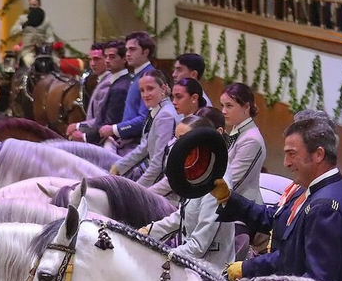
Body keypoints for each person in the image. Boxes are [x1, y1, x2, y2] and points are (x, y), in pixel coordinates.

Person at [213, 116, 342, 281]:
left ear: (318, 154)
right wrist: (229, 199)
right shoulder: (326, 190)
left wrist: (253, 271)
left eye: (292, 154)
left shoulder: (323, 206)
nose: (286, 163)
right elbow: (275, 218)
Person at [143, 115, 237, 268]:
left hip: (211, 270)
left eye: (182, 139)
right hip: (189, 259)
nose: (176, 146)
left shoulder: (217, 181)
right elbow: (182, 216)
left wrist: (166, 256)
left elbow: (199, 246)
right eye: (176, 139)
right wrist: (148, 231)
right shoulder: (196, 172)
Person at [111, 69, 177, 188]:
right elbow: (145, 147)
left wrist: (137, 189)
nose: (145, 95)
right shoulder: (157, 110)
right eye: (142, 90)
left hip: (161, 184)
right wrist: (118, 166)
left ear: (163, 88)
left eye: (150, 89)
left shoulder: (165, 115)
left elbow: (158, 164)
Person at [102, 31, 156, 153]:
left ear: (145, 52)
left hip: (138, 145)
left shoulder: (149, 77)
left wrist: (115, 129)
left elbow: (145, 119)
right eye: (126, 50)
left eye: (132, 49)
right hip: (127, 142)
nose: (128, 54)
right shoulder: (137, 76)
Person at [219, 82, 267, 202]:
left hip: (244, 210)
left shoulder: (251, 140)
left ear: (246, 107)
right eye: (222, 105)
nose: (223, 111)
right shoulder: (237, 130)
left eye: (229, 106)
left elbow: (233, 182)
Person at [75, 39, 130, 144]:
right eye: (106, 57)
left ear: (124, 59)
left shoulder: (120, 87)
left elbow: (110, 123)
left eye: (112, 57)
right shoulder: (117, 82)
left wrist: (85, 136)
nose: (108, 60)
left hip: (111, 142)